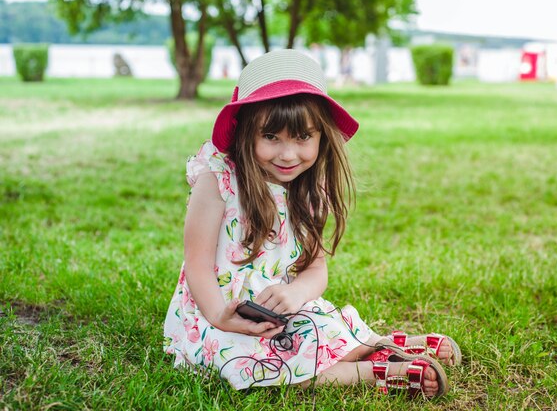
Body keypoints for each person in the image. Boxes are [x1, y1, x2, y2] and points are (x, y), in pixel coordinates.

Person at [163, 49, 460, 399]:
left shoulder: (308, 191)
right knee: (264, 362)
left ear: (322, 135)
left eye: (303, 137)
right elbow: (197, 267)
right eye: (271, 137)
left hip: (278, 307)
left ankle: (382, 344)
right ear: (246, 132)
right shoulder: (217, 180)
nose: (288, 154)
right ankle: (376, 371)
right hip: (217, 310)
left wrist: (296, 292)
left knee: (314, 328)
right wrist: (219, 316)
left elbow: (316, 272)